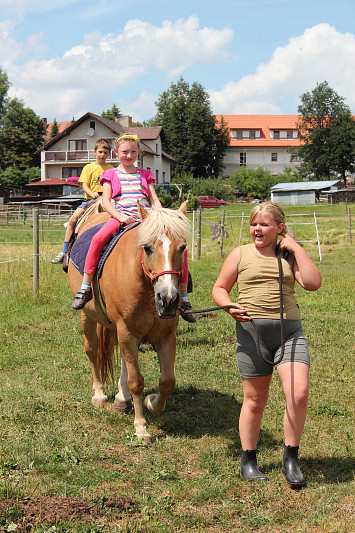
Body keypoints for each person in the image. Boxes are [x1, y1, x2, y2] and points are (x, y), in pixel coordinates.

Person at [212, 201, 321, 488]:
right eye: (254, 224)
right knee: (255, 400)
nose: (257, 229)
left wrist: (296, 249)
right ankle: (248, 460)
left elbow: (312, 283)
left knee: (298, 395)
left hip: (289, 334)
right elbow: (219, 288)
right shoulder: (240, 254)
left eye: (264, 225)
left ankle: (291, 458)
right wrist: (228, 306)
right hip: (252, 335)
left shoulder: (287, 256)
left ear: (280, 228)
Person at [71, 133, 196, 323]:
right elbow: (106, 201)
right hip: (121, 216)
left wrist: (159, 216)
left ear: (138, 152)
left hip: (146, 220)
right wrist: (121, 217)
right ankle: (86, 286)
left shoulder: (144, 174)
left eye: (133, 152)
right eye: (124, 152)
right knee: (97, 239)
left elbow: (153, 199)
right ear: (116, 152)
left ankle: (184, 298)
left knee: (179, 250)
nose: (128, 156)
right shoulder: (110, 174)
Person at [51, 139, 113, 264]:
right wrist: (92, 194)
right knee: (73, 219)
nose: (102, 155)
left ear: (109, 154)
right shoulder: (89, 167)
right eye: (100, 152)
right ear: (95, 152)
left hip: (107, 200)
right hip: (90, 200)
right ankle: (64, 250)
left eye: (105, 153)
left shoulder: (111, 169)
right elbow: (84, 186)